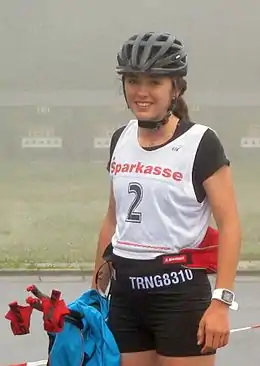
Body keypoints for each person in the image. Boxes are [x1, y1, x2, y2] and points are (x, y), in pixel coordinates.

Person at [92, 32, 241, 366]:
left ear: (176, 88)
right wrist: (95, 292)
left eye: (154, 82)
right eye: (133, 81)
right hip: (126, 296)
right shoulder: (121, 138)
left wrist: (221, 302)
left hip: (179, 295)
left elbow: (229, 225)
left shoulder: (201, 142)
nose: (141, 92)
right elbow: (113, 219)